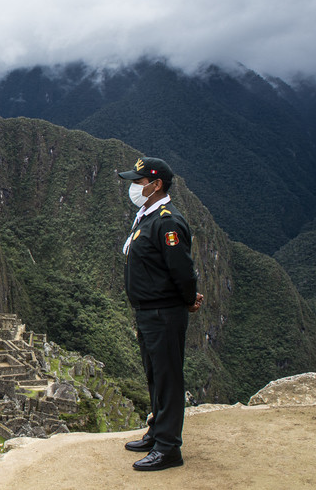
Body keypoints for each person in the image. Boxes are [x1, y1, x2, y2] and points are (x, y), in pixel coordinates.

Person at [117, 157, 204, 472]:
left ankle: (169, 449)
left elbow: (182, 269)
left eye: (138, 182)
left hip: (164, 313)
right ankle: (156, 432)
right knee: (155, 376)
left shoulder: (167, 221)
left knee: (168, 378)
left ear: (156, 186)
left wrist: (188, 300)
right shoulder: (147, 216)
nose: (133, 187)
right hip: (148, 313)